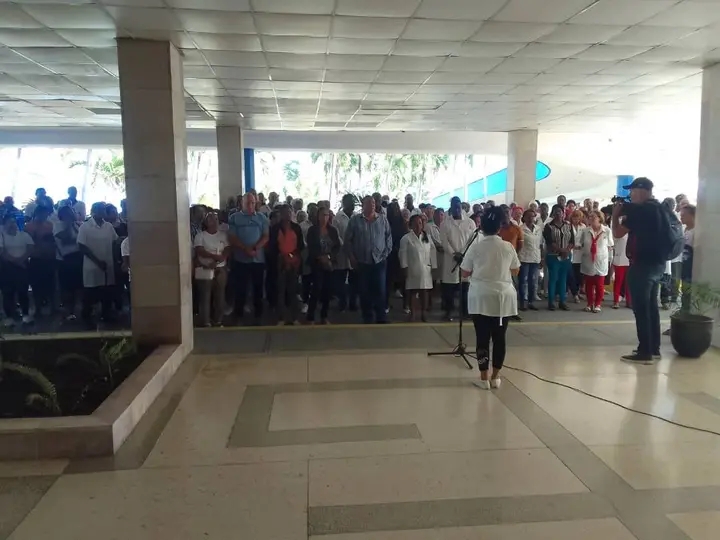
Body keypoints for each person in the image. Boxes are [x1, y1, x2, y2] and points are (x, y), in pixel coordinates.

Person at [461, 206, 520, 390]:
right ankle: (496, 377)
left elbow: (464, 272)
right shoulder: (508, 246)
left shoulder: (476, 247)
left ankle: (483, 377)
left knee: (482, 338)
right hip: (503, 298)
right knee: (500, 338)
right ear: (499, 227)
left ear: (481, 227)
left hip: (480, 297)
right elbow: (516, 270)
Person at [612, 177, 667, 363]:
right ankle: (654, 349)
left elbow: (617, 233)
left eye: (632, 190)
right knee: (651, 308)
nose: (630, 194)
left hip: (642, 265)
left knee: (642, 309)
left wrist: (615, 216)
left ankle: (644, 352)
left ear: (641, 191)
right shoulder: (659, 208)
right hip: (658, 264)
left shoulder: (640, 211)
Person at [344, 194, 392, 324]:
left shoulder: (382, 220)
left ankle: (381, 316)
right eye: (369, 203)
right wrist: (352, 257)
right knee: (364, 291)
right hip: (362, 262)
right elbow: (348, 240)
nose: (372, 205)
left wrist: (385, 254)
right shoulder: (355, 220)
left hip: (379, 261)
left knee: (380, 290)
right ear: (363, 205)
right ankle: (367, 317)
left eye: (373, 203)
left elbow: (388, 238)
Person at [228, 192, 269, 325]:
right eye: (248, 203)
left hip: (258, 259)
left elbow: (265, 236)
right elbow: (232, 237)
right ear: (242, 203)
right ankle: (238, 315)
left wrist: (255, 248)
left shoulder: (262, 218)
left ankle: (258, 315)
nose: (250, 205)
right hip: (240, 259)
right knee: (240, 288)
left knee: (258, 288)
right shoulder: (234, 218)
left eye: (253, 203)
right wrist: (245, 249)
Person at [77, 202, 118, 324]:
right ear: (94, 211)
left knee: (107, 291)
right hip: (92, 265)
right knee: (90, 292)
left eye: (104, 210)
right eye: (101, 210)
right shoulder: (85, 227)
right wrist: (97, 261)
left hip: (107, 264)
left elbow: (114, 242)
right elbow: (82, 246)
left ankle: (106, 314)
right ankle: (87, 316)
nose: (103, 212)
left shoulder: (108, 226)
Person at [439, 196, 476, 321]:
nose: (456, 209)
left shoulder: (470, 223)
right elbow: (444, 242)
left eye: (458, 207)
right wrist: (454, 254)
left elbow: (473, 240)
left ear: (461, 207)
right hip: (451, 260)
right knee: (449, 288)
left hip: (466, 258)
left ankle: (465, 311)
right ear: (451, 207)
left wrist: (464, 254)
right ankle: (448, 311)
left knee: (465, 287)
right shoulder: (445, 223)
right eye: (454, 207)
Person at [268, 204, 304, 325]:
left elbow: (300, 246)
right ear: (281, 214)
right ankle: (281, 318)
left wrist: (292, 256)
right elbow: (272, 247)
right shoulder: (275, 229)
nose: (287, 215)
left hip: (294, 263)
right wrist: (281, 257)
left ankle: (294, 317)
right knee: (280, 291)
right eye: (284, 213)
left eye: (289, 212)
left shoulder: (296, 228)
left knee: (293, 291)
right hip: (280, 263)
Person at [194, 212, 230, 327]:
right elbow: (200, 251)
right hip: (205, 269)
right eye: (211, 219)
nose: (214, 222)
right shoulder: (200, 236)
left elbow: (227, 250)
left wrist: (218, 260)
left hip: (220, 268)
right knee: (205, 296)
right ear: (206, 222)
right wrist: (214, 257)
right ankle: (205, 321)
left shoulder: (223, 235)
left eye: (216, 219)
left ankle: (218, 320)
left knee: (220, 296)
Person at [399, 214, 437, 322]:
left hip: (425, 269)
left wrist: (433, 266)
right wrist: (404, 267)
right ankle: (413, 313)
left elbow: (433, 251)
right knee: (412, 291)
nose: (418, 226)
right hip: (412, 268)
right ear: (411, 225)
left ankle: (423, 313)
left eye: (420, 223)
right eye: (415, 224)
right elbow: (402, 254)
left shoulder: (427, 237)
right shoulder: (406, 238)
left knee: (424, 292)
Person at [306, 206, 340, 324]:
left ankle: (324, 316)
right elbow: (311, 246)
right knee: (316, 290)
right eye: (322, 215)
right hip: (317, 263)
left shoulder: (333, 230)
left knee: (327, 291)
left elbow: (337, 246)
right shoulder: (312, 230)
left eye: (326, 215)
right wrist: (321, 258)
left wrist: (329, 257)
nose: (324, 218)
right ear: (318, 216)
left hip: (330, 264)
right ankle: (310, 316)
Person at [0, 213, 34, 325]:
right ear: (4, 224)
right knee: (8, 293)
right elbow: (2, 252)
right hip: (7, 268)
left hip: (22, 267)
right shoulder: (2, 236)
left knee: (23, 291)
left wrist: (21, 259)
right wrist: (16, 261)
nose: (12, 224)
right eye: (9, 222)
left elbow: (30, 247)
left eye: (13, 222)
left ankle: (26, 314)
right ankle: (9, 317)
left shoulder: (23, 235)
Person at [577, 210, 613, 313]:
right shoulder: (585, 231)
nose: (591, 219)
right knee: (589, 284)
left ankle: (597, 304)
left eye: (594, 217)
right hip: (588, 260)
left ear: (600, 218)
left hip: (601, 261)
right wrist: (580, 247)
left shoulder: (607, 230)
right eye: (590, 217)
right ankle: (589, 303)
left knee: (599, 284)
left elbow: (610, 245)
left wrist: (607, 256)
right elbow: (579, 243)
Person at [25, 204, 56, 315]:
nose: (45, 216)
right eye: (43, 214)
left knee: (51, 285)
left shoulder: (49, 225)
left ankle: (53, 307)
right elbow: (28, 242)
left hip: (49, 258)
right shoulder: (29, 226)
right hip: (36, 258)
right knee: (36, 285)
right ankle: (37, 308)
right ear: (37, 213)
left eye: (46, 214)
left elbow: (53, 241)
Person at [543, 204, 574, 311]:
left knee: (563, 279)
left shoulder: (568, 225)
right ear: (552, 213)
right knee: (553, 278)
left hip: (566, 256)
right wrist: (561, 250)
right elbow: (549, 242)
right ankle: (551, 302)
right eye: (555, 211)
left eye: (560, 211)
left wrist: (567, 250)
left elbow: (572, 241)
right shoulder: (548, 226)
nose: (558, 213)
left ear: (563, 213)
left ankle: (562, 301)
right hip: (553, 256)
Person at [54, 205, 83, 319]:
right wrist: (68, 225)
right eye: (69, 213)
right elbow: (65, 239)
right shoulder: (58, 226)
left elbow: (81, 241)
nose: (72, 214)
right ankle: (68, 311)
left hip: (78, 258)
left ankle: (78, 309)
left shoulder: (78, 225)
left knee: (78, 286)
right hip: (65, 260)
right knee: (67, 287)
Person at [333, 194, 357, 312]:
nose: (352, 204)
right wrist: (344, 245)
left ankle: (353, 303)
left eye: (353, 202)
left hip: (354, 253)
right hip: (341, 252)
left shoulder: (357, 216)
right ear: (343, 203)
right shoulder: (337, 217)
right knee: (340, 280)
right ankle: (342, 302)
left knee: (354, 280)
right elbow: (335, 235)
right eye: (349, 202)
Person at [517, 209, 542, 311]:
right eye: (528, 216)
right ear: (524, 217)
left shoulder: (538, 229)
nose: (531, 218)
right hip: (524, 258)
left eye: (532, 216)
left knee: (533, 281)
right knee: (523, 281)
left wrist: (542, 258)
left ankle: (531, 302)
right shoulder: (520, 229)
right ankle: (522, 302)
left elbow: (540, 243)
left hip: (535, 258)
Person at [568, 210, 586, 303]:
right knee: (572, 275)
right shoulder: (568, 226)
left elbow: (585, 239)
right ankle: (574, 294)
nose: (576, 220)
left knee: (579, 275)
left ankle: (577, 292)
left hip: (580, 253)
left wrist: (582, 245)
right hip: (571, 251)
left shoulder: (583, 226)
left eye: (578, 218)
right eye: (574, 218)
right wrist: (572, 246)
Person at [611, 227, 631, 309]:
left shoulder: (633, 232)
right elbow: (613, 243)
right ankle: (616, 301)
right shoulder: (618, 232)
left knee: (629, 283)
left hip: (630, 261)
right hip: (620, 261)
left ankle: (629, 301)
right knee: (618, 281)